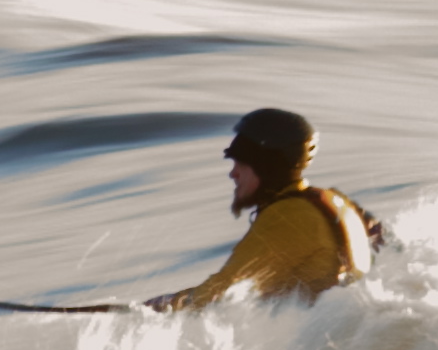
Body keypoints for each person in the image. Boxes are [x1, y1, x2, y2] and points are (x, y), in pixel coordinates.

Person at [145, 108, 378, 309]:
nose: (233, 173)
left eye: (241, 164)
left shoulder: (289, 216)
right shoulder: (335, 201)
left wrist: (150, 310)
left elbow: (222, 291)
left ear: (267, 166)